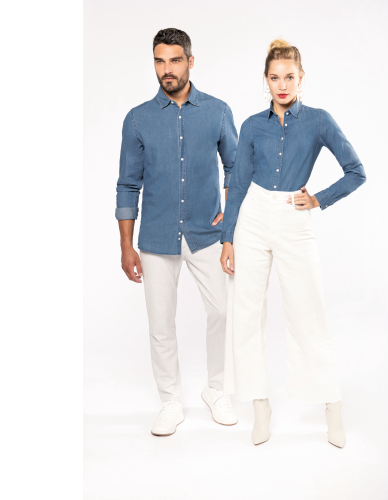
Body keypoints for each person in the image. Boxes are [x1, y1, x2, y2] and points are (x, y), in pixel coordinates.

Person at [220, 39, 366, 447]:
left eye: (289, 77)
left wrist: (318, 199)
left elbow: (356, 171)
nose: (281, 85)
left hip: (293, 217)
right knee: (246, 314)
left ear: (301, 78)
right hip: (252, 217)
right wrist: (227, 238)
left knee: (308, 312)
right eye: (274, 78)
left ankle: (332, 406)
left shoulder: (318, 121)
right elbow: (238, 182)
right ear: (266, 80)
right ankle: (259, 407)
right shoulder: (252, 125)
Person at [116, 28, 238, 436]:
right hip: (156, 236)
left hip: (207, 233)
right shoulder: (138, 119)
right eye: (159, 61)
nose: (166, 69)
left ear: (190, 61)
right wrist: (126, 246)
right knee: (160, 324)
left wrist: (231, 222)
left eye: (174, 60)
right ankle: (170, 399)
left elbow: (236, 168)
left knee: (222, 311)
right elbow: (127, 184)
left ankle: (216, 389)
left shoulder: (218, 111)